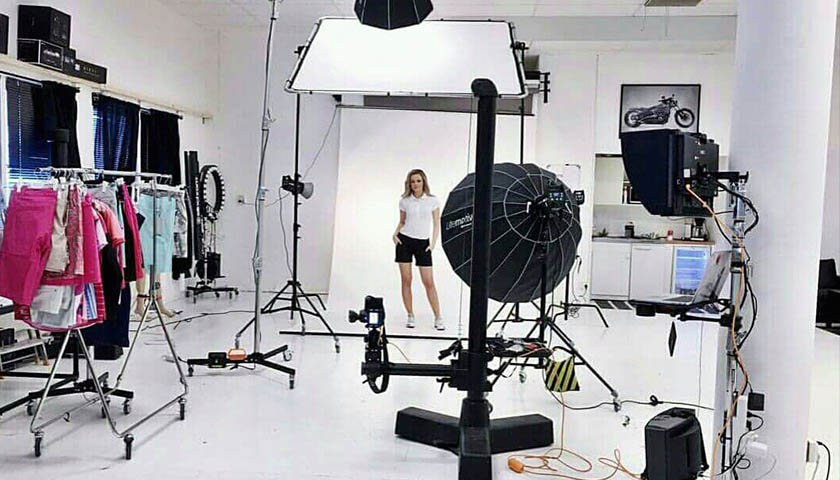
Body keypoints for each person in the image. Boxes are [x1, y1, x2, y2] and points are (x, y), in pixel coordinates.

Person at [392, 169, 443, 330]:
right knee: (406, 280)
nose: (415, 184)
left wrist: (432, 244)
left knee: (428, 282)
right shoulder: (404, 201)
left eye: (418, 181)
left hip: (423, 244)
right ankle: (410, 315)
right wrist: (395, 234)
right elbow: (402, 221)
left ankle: (438, 317)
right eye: (412, 181)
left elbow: (437, 224)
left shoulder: (433, 201)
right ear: (409, 184)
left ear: (423, 182)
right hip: (404, 241)